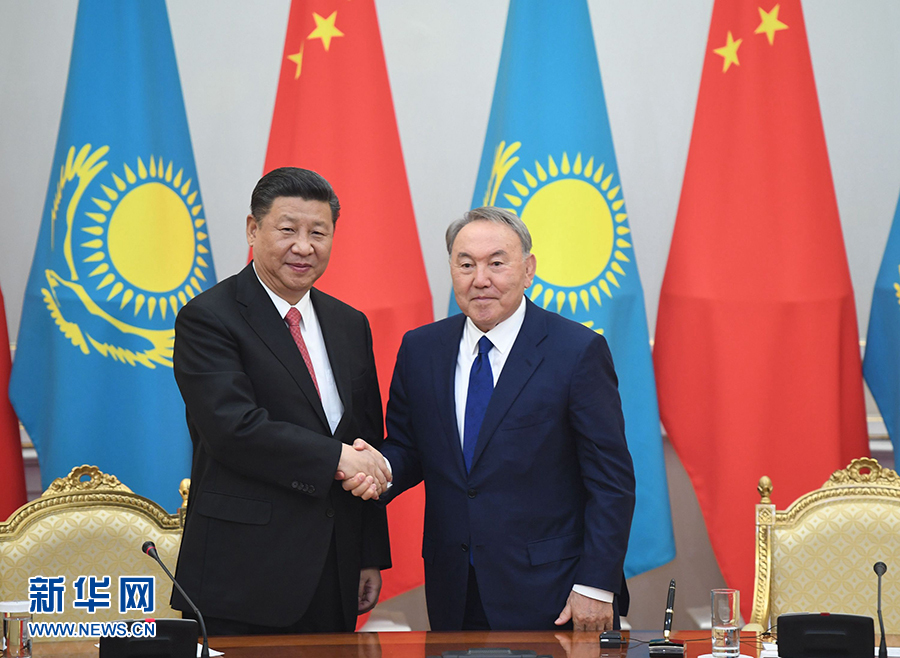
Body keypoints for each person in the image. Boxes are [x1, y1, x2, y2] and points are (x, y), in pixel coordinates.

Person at [345, 206, 635, 631]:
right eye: (466, 264)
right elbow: (409, 446)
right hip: (454, 586)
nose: (480, 278)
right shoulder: (422, 349)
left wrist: (595, 585)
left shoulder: (576, 351)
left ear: (528, 268)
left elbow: (611, 481)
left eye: (496, 263)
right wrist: (379, 469)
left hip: (552, 592)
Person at [171, 167, 392, 635]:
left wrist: (368, 554)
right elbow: (233, 428)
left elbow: (365, 440)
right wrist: (337, 458)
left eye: (318, 232)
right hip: (244, 576)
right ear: (253, 229)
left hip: (335, 570)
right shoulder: (208, 317)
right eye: (287, 229)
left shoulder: (349, 324)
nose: (303, 246)